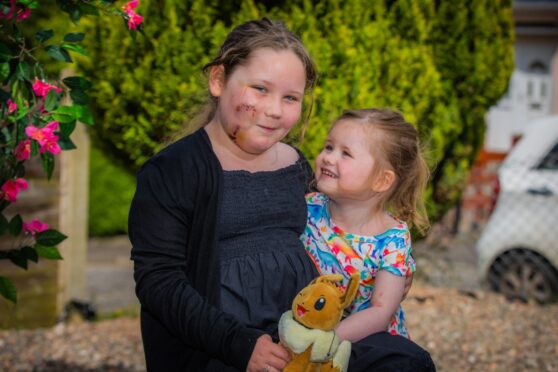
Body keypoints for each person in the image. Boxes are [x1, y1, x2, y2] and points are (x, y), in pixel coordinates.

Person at [129, 18, 435, 372]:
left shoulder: (295, 166)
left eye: (290, 98)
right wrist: (241, 345)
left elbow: (341, 231)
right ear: (218, 80)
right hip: (219, 346)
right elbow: (159, 283)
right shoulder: (173, 171)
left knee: (406, 361)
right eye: (259, 89)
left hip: (306, 338)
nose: (274, 110)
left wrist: (377, 278)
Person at [302, 108, 430, 342]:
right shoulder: (308, 209)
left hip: (368, 345)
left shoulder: (392, 239)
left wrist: (326, 341)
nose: (328, 157)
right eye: (329, 147)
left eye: (346, 153)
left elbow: (381, 311)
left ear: (382, 180)